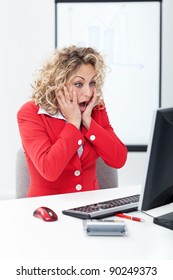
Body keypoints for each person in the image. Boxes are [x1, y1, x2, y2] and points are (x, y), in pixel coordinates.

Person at [17, 45, 127, 197]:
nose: (88, 93)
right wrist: (73, 123)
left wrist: (89, 122)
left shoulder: (96, 109)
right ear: (58, 84)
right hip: (48, 209)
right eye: (78, 84)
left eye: (92, 83)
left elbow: (119, 159)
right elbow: (49, 170)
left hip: (90, 206)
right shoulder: (31, 113)